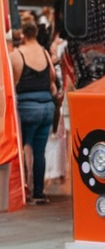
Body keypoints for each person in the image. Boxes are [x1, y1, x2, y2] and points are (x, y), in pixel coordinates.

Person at [10, 20, 58, 203]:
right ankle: (38, 192)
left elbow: (12, 82)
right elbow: (52, 77)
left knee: (23, 149)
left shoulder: (17, 55)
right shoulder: (45, 53)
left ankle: (24, 191)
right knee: (39, 151)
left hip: (27, 108)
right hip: (46, 107)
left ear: (23, 35)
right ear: (36, 34)